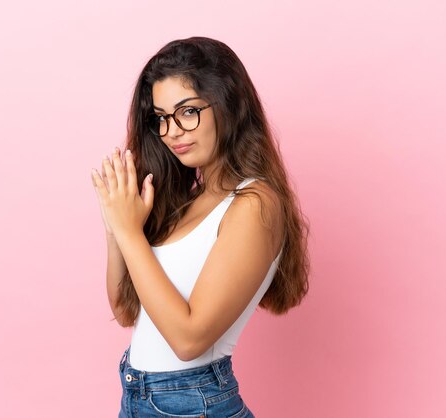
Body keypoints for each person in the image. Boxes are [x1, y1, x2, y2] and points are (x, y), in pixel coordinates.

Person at [91, 36, 310, 417]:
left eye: (187, 111)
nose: (172, 131)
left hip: (193, 404)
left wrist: (129, 233)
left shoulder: (254, 203)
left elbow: (189, 340)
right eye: (161, 118)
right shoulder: (186, 201)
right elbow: (128, 311)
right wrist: (117, 226)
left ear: (229, 105)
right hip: (138, 396)